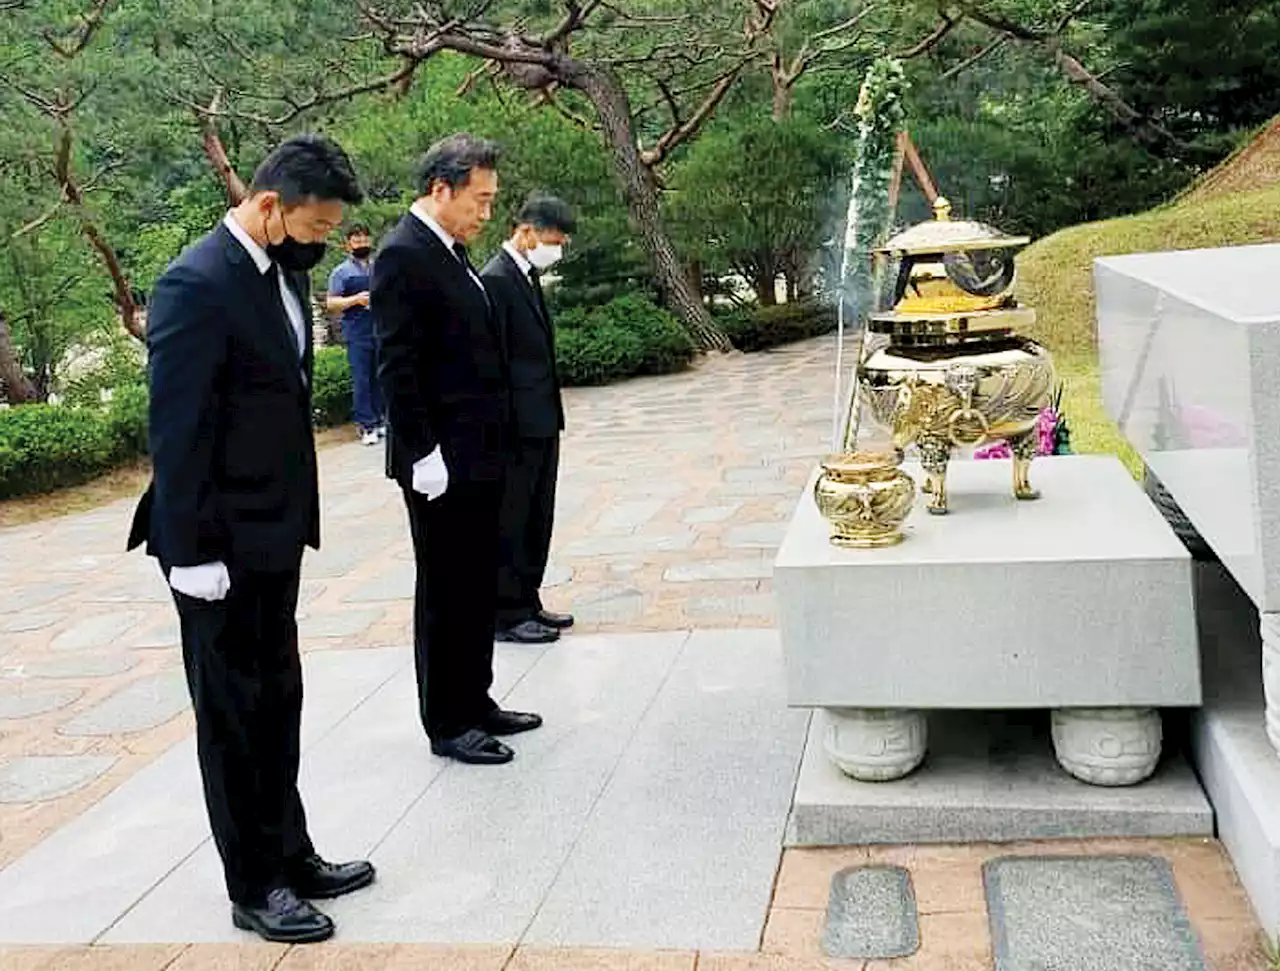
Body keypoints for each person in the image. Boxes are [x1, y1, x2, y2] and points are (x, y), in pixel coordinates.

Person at [126, 134, 375, 943]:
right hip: (215, 548)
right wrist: (193, 551)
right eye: (316, 225)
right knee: (232, 716)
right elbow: (178, 427)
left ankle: (291, 850)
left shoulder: (279, 276)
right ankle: (254, 882)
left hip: (271, 534)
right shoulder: (196, 283)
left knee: (278, 700)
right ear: (269, 206)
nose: (323, 242)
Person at [372, 132, 543, 766]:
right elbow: (397, 364)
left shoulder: (450, 250)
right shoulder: (403, 254)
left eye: (493, 200)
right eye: (479, 198)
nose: (486, 212)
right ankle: (447, 720)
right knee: (446, 588)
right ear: (439, 189)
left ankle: (477, 698)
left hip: (478, 453)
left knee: (476, 582)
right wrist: (421, 454)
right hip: (438, 461)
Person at [481, 194, 576, 644]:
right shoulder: (496, 279)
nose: (556, 249)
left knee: (538, 516)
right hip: (515, 424)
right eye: (553, 241)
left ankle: (528, 599)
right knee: (513, 518)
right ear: (527, 231)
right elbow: (493, 359)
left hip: (540, 417)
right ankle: (507, 611)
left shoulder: (526, 275)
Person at [326, 225, 384, 445]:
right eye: (356, 241)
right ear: (348, 244)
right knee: (362, 379)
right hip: (357, 331)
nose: (361, 244)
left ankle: (379, 421)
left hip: (379, 328)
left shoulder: (378, 267)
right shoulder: (341, 272)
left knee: (380, 376)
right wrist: (355, 300)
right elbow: (331, 303)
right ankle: (366, 425)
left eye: (364, 240)